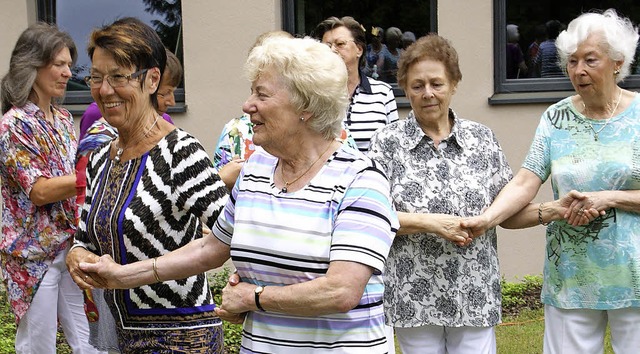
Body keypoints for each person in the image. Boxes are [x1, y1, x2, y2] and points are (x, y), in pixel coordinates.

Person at [78, 35, 398, 353]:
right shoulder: (257, 168)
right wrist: (122, 275)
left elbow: (341, 291)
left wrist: (253, 298)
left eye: (261, 94)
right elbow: (211, 248)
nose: (248, 106)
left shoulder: (360, 180)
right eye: (250, 93)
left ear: (307, 106)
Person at [462, 9, 640, 353]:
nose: (579, 70)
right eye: (572, 62)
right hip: (571, 277)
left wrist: (610, 198)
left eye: (590, 60)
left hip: (635, 277)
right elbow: (525, 181)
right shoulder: (556, 117)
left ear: (617, 62)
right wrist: (488, 219)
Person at [65, 17, 228, 353]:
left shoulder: (180, 152)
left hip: (183, 337)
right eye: (96, 77)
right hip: (123, 337)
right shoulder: (101, 158)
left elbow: (229, 236)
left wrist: (141, 273)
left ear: (152, 79)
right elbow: (85, 239)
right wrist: (77, 254)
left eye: (119, 77)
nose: (104, 90)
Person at [368, 34, 513, 354]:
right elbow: (373, 215)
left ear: (454, 84)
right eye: (417, 85)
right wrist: (432, 223)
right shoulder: (386, 142)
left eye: (437, 83)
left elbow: (509, 200)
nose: (427, 93)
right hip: (413, 294)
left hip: (472, 289)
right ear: (405, 88)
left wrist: (544, 211)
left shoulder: (482, 138)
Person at [0, 22, 98, 353]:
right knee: (38, 346)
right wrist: (99, 171)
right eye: (59, 64)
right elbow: (39, 191)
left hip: (68, 246)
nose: (68, 72)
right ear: (32, 64)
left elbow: (71, 181)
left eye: (69, 64)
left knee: (87, 340)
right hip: (30, 256)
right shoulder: (14, 125)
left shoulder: (61, 119)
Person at [312, 16, 399, 152]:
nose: (332, 50)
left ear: (359, 49)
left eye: (340, 44)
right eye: (327, 46)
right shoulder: (314, 94)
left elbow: (395, 145)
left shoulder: (383, 93)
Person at [77, 49, 180, 141]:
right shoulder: (97, 117)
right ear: (150, 83)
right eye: (165, 93)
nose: (171, 102)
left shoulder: (167, 124)